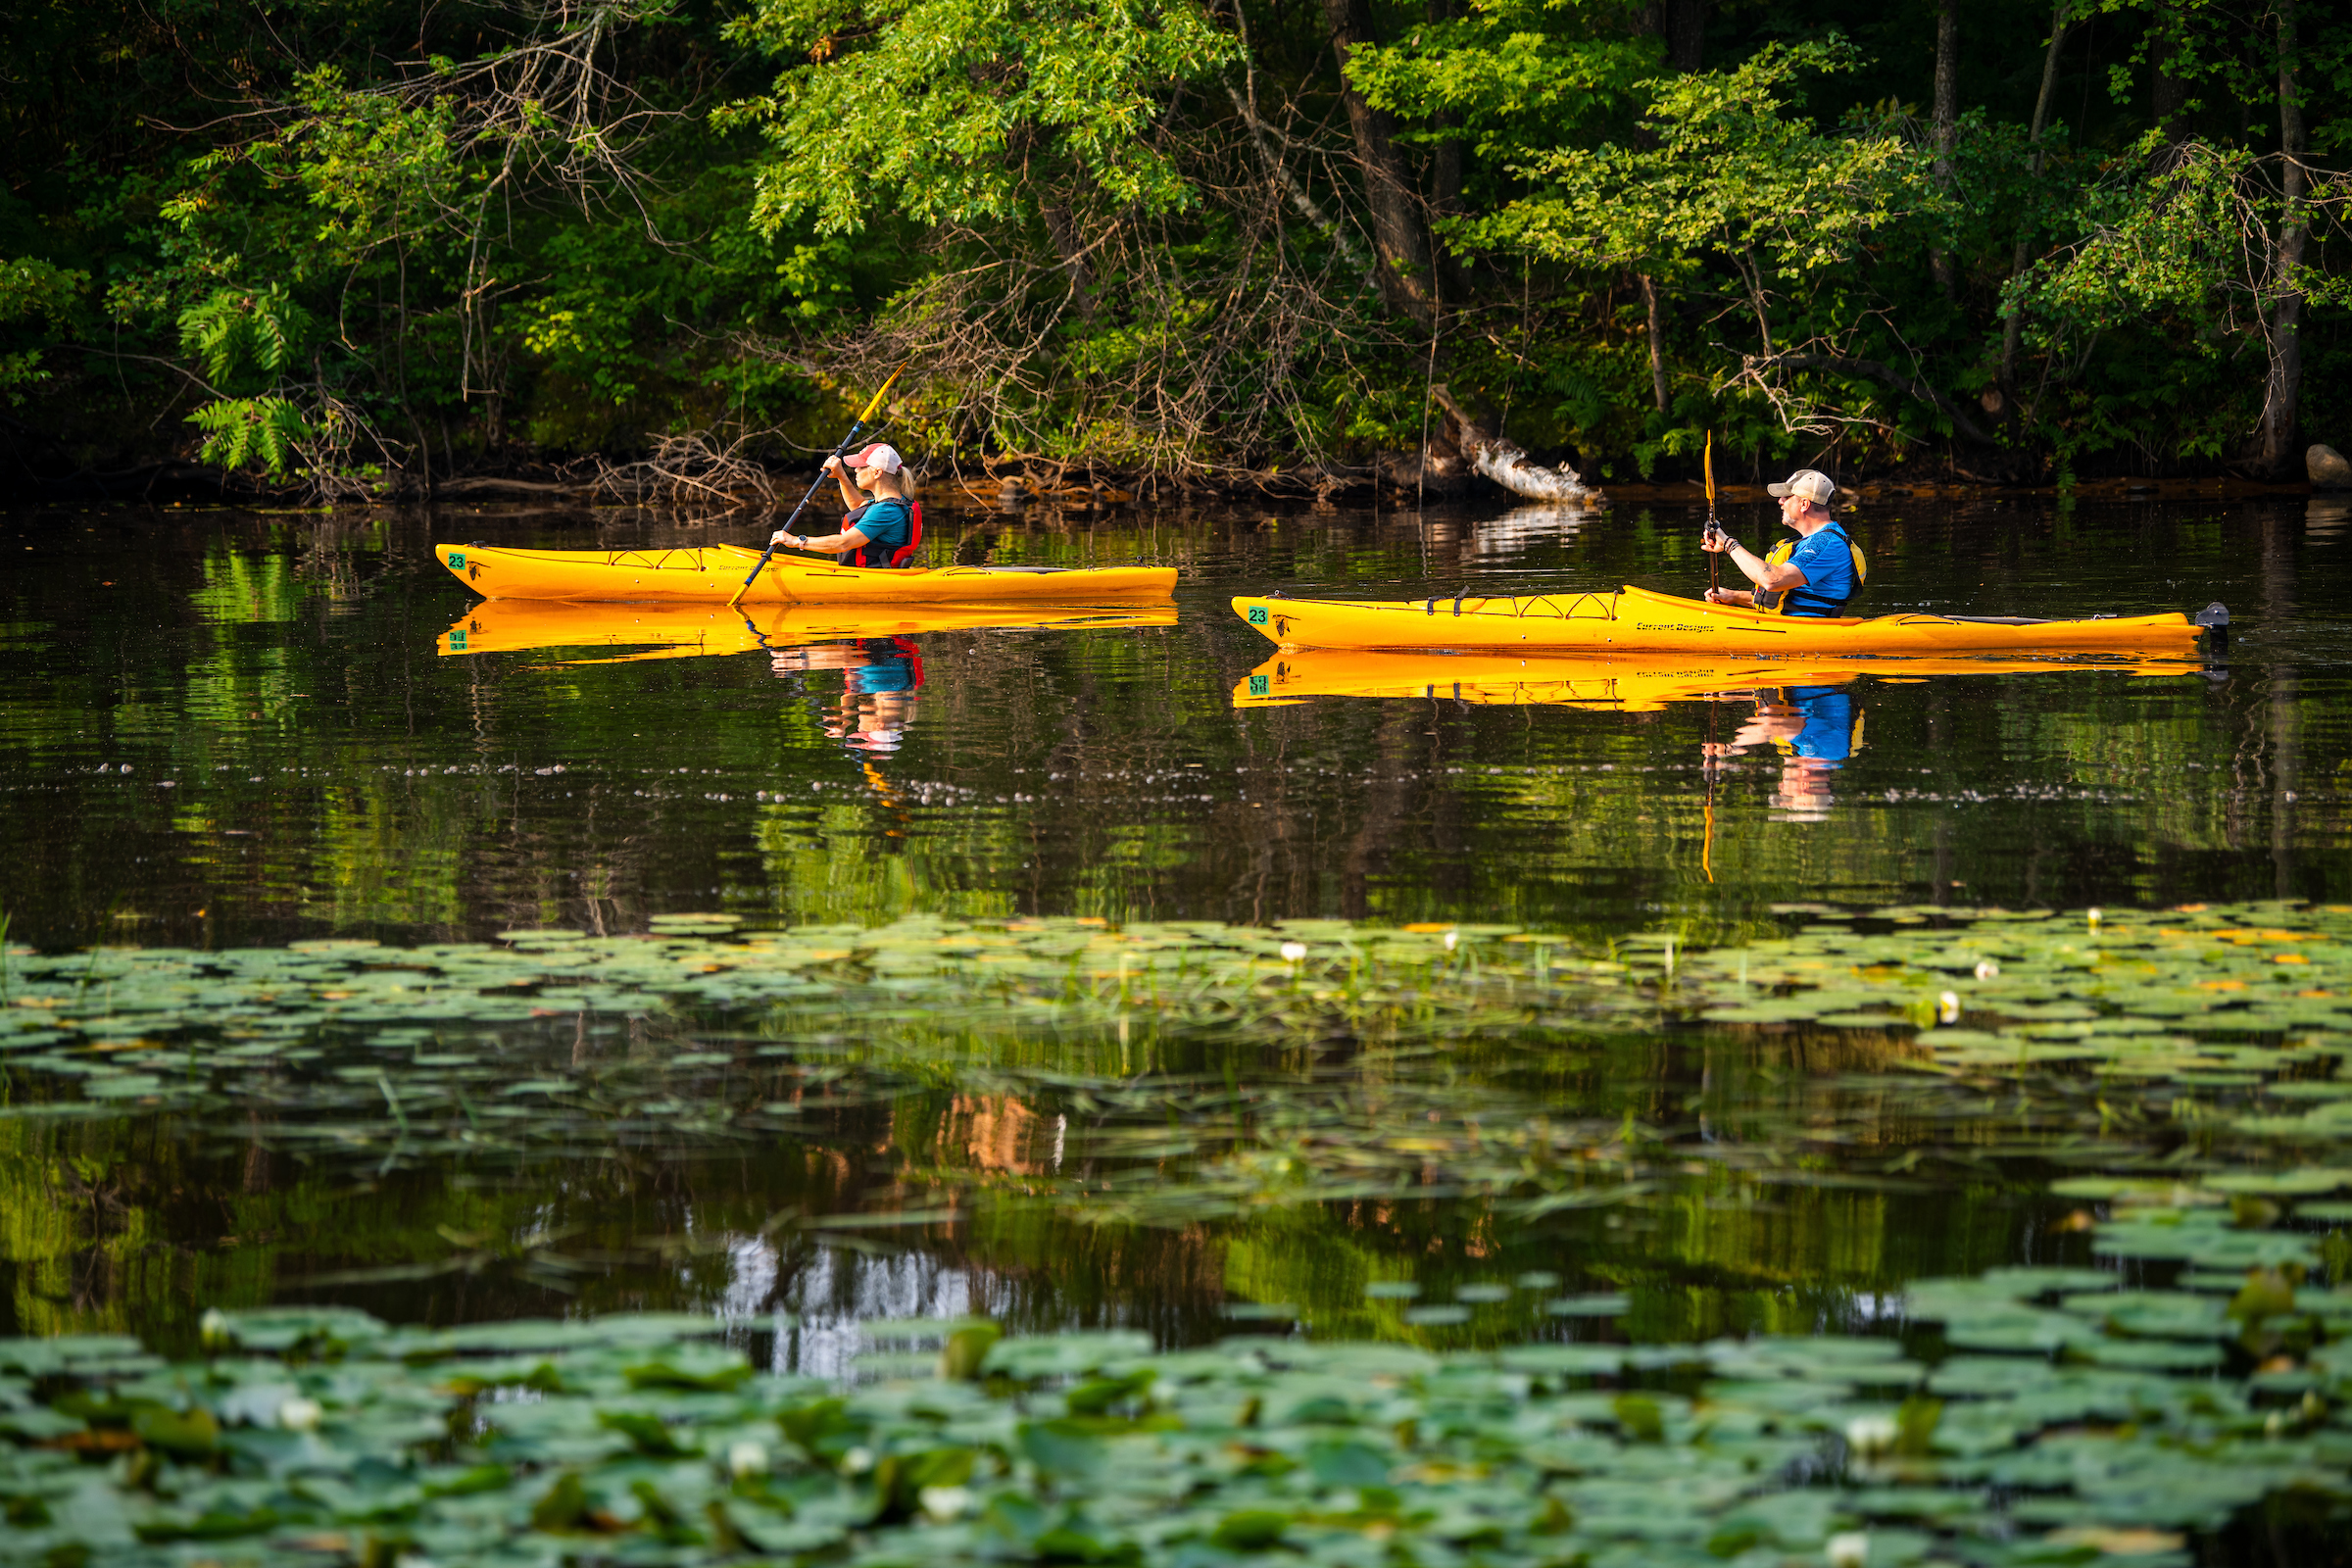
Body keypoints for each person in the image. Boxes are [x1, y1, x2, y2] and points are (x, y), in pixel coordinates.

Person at [1699, 468, 1864, 615]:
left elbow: (1772, 580)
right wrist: (1734, 596)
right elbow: (1794, 600)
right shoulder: (1816, 541)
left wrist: (1729, 544)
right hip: (1795, 626)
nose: (1780, 501)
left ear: (1804, 504)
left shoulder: (1824, 543)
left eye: (1786, 497)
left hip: (1806, 633)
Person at [770, 443, 921, 568]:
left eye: (861, 467)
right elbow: (858, 506)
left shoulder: (886, 511)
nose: (855, 470)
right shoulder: (891, 504)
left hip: (872, 579)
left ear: (877, 473)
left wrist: (797, 541)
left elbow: (844, 543)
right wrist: (841, 476)